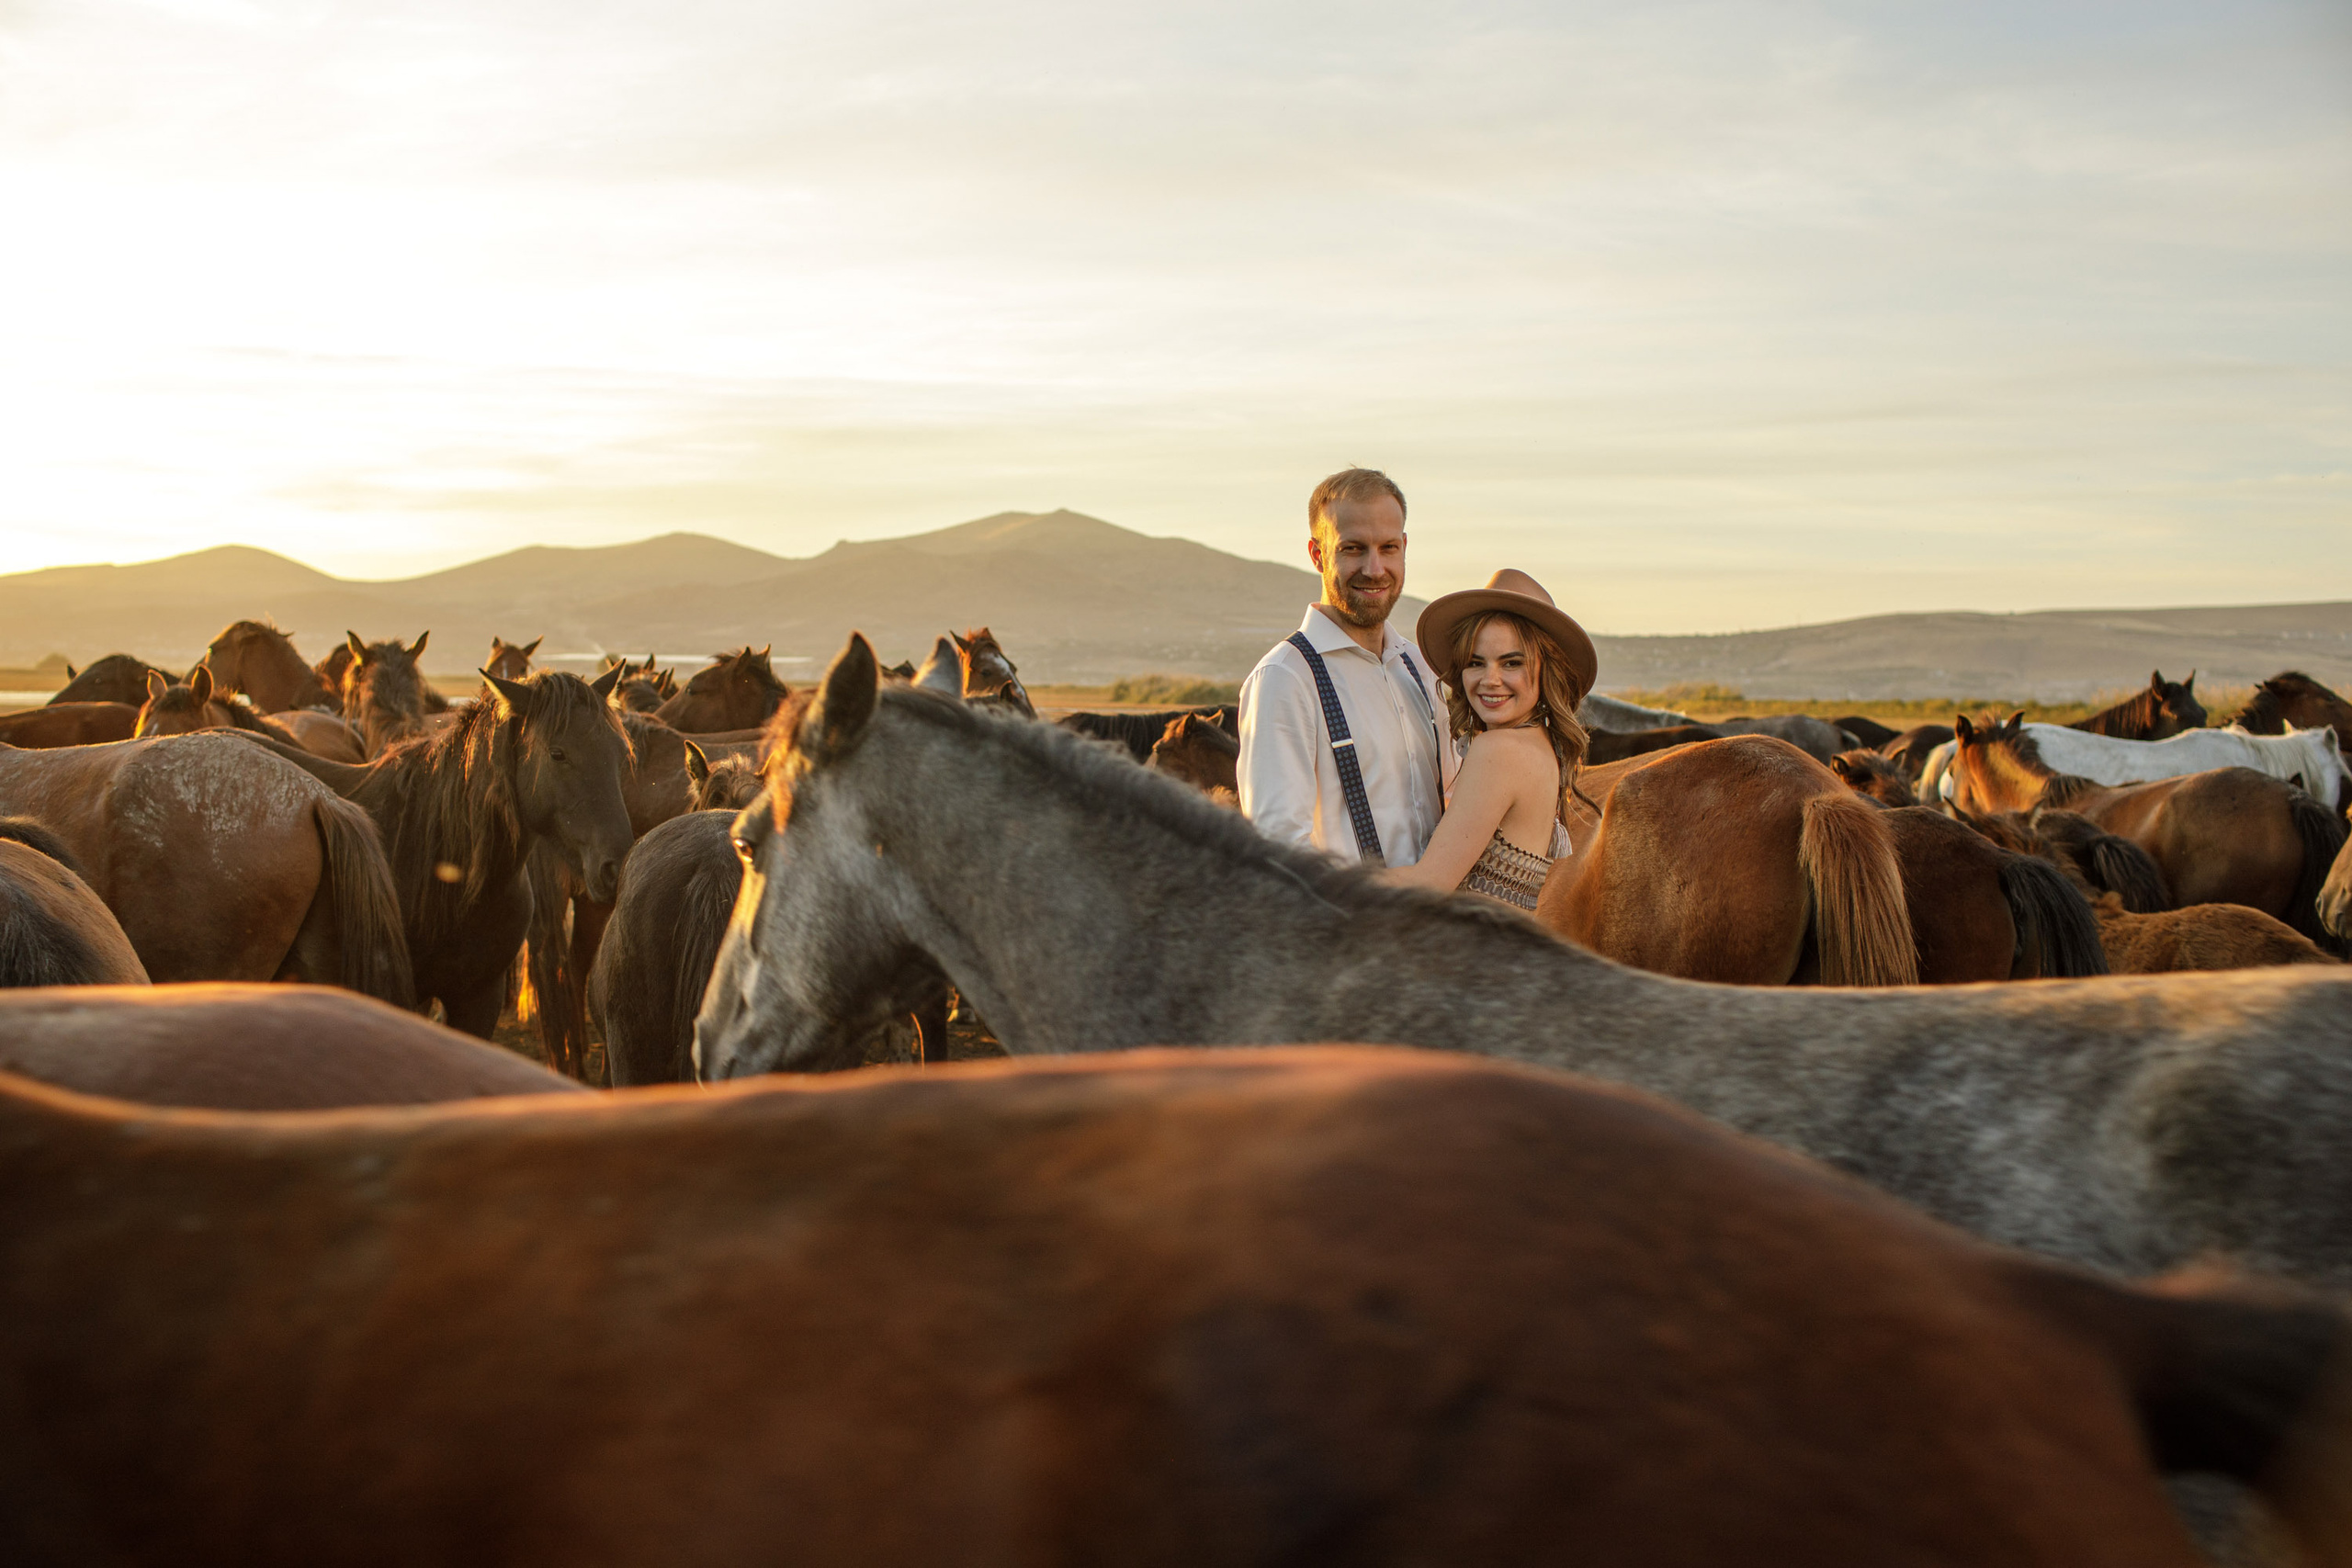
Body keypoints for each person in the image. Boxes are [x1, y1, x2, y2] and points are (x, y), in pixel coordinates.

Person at [1238, 468, 1456, 865]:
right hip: (1351, 924)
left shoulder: (1423, 670)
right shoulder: (1286, 679)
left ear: (1404, 547)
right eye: (1353, 548)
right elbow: (1279, 853)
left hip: (1442, 922)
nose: (1375, 570)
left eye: (1388, 548)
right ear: (1317, 554)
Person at [1382, 570, 1597, 911]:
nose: (1489, 680)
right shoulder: (1542, 747)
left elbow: (1429, 884)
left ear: (1546, 669)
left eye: (1511, 663)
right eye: (1475, 663)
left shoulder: (1498, 750)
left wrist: (1321, 876)